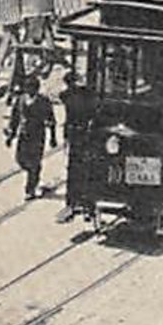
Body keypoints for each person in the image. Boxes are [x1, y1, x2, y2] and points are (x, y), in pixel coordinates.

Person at [5, 78, 58, 200]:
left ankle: (30, 188)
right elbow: (15, 118)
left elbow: (51, 120)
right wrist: (10, 136)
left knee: (34, 161)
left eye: (32, 87)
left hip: (37, 135)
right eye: (28, 87)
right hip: (24, 134)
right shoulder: (21, 99)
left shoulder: (43, 101)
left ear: (37, 88)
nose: (29, 90)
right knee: (20, 159)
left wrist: (53, 138)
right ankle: (34, 173)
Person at [55, 73, 95, 223]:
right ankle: (83, 205)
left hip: (76, 135)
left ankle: (75, 203)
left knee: (75, 170)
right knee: (85, 170)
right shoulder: (86, 95)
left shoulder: (67, 95)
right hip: (82, 134)